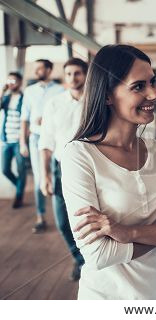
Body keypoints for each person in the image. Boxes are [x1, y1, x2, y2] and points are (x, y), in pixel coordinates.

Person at [60, 45, 156, 299]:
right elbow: (98, 254)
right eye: (139, 86)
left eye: (153, 82)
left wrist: (128, 233)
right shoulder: (79, 156)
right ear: (107, 95)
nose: (154, 93)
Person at [38, 58, 88, 280]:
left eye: (77, 73)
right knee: (62, 222)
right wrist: (44, 175)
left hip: (89, 168)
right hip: (61, 168)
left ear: (86, 75)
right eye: (69, 74)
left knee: (88, 219)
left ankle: (93, 263)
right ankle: (80, 260)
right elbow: (46, 142)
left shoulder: (96, 102)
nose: (73, 78)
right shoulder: (54, 104)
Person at [20, 59, 64, 233]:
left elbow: (61, 116)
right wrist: (22, 142)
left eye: (41, 68)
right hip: (35, 138)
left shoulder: (60, 91)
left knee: (58, 177)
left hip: (55, 138)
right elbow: (25, 118)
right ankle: (41, 216)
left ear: (49, 69)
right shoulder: (29, 91)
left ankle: (63, 214)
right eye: (35, 68)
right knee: (40, 178)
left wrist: (47, 120)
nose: (37, 71)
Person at [1, 72, 26, 208]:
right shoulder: (5, 98)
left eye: (14, 80)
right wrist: (2, 90)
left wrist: (24, 141)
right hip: (6, 140)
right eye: (9, 80)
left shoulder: (24, 98)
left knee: (21, 170)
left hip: (19, 140)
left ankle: (18, 197)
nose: (11, 83)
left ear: (20, 82)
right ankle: (19, 188)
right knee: (5, 169)